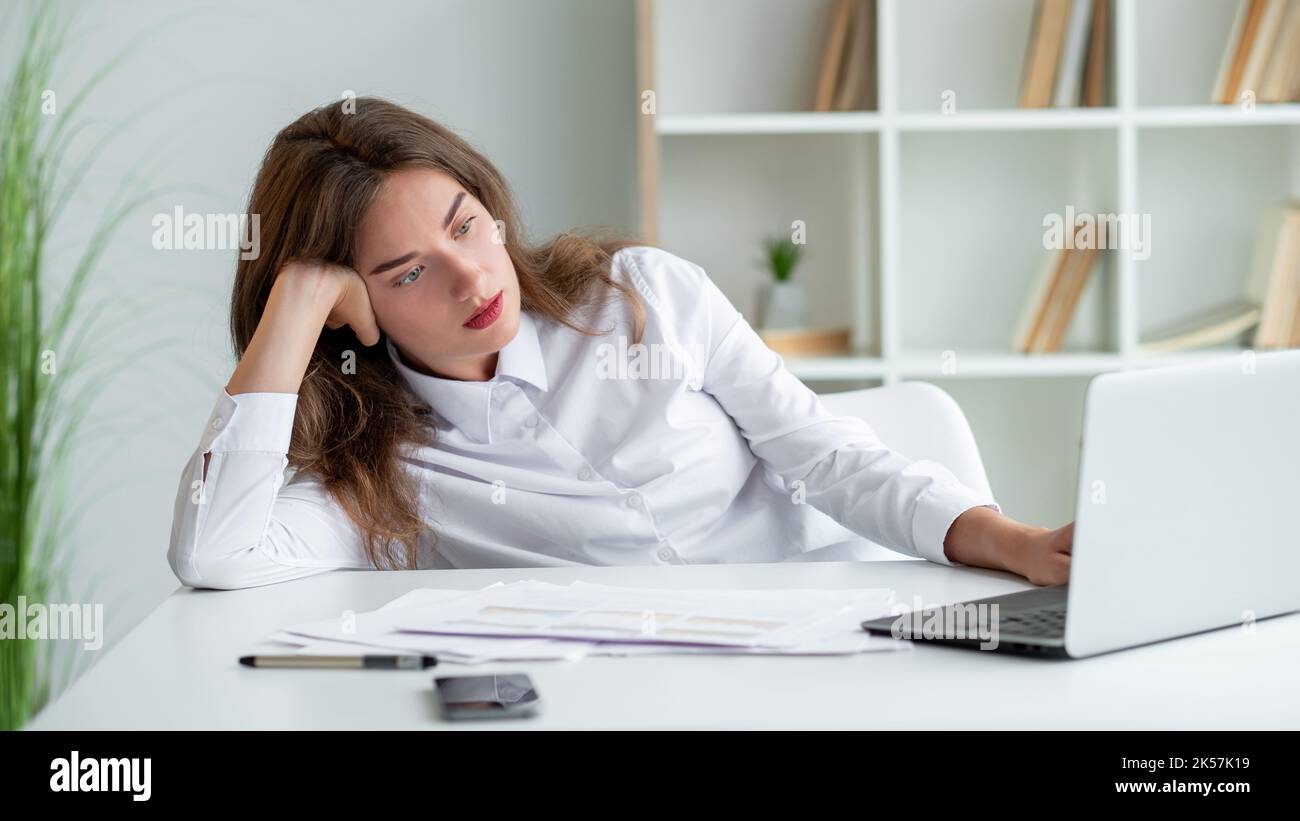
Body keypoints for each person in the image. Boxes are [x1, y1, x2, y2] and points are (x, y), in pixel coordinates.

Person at [167, 97, 1073, 591]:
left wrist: (1008, 540)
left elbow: (827, 455)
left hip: (847, 632)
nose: (475, 279)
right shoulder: (383, 482)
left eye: (467, 225)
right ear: (348, 309)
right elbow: (215, 554)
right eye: (407, 273)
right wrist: (290, 308)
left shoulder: (643, 295)